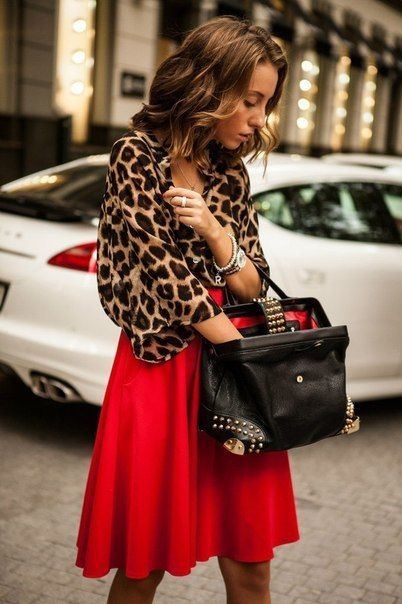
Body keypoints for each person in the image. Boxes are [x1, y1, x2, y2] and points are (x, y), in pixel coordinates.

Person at [75, 14, 300, 604]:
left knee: (252, 563)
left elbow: (253, 285)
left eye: (266, 104)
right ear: (209, 86)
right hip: (163, 373)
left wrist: (217, 234)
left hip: (232, 364)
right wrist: (248, 358)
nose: (259, 119)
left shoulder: (232, 174)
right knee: (144, 564)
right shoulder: (135, 157)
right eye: (249, 100)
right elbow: (168, 281)